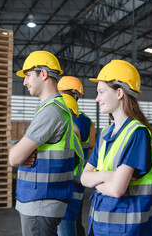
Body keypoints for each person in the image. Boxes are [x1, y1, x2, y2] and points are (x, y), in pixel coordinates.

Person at [9, 50, 80, 236]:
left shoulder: (51, 111)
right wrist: (23, 149)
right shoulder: (50, 109)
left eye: (28, 75)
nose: (24, 82)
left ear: (43, 74)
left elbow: (14, 158)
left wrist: (19, 150)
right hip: (40, 200)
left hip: (41, 201)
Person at [80, 60, 152, 236]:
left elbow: (116, 189)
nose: (97, 98)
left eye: (101, 92)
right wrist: (107, 176)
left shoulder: (137, 134)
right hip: (99, 224)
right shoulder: (106, 133)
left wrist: (96, 179)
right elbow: (83, 178)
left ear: (119, 93)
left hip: (126, 228)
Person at [58, 76, 93, 236]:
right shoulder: (61, 117)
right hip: (61, 181)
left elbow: (75, 136)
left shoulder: (81, 120)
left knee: (69, 224)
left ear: (75, 96)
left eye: (64, 94)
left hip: (73, 181)